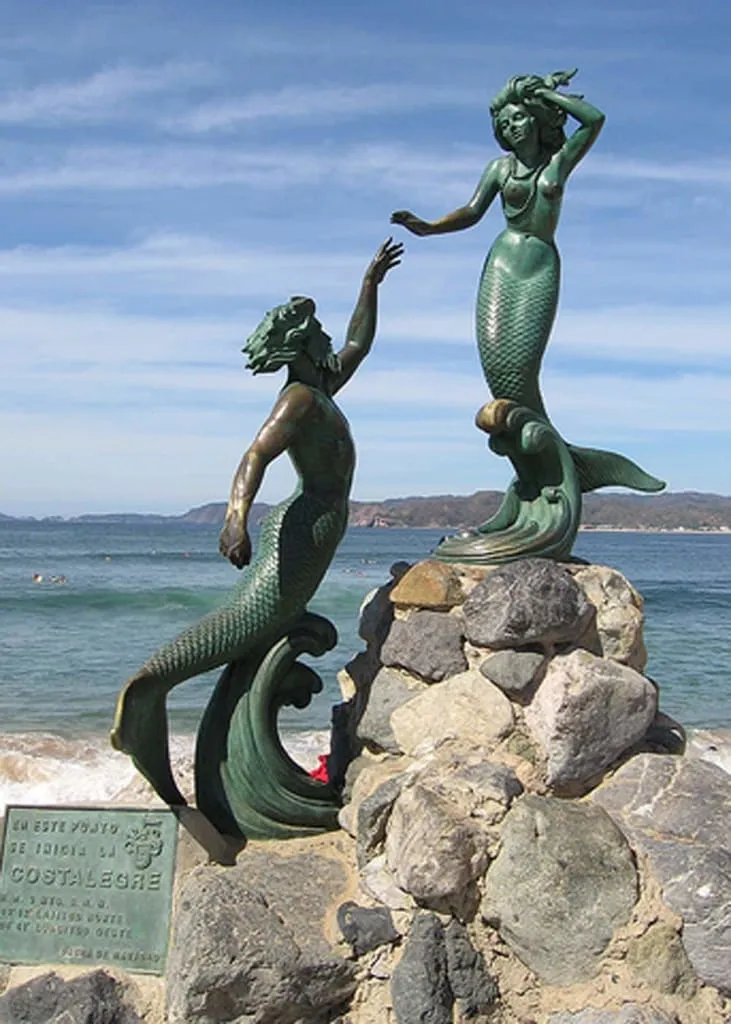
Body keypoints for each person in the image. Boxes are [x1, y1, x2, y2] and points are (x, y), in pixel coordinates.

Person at [111, 238, 403, 806]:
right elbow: (254, 456)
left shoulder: (322, 386)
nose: (325, 337)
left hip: (314, 525)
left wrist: (370, 283)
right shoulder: (297, 400)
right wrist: (235, 520)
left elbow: (358, 343)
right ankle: (148, 688)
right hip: (301, 528)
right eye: (315, 331)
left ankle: (242, 772)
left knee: (258, 635)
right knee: (245, 623)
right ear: (300, 343)